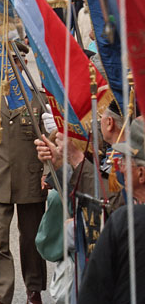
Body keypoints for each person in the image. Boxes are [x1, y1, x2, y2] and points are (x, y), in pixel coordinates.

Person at [0, 45, 47, 304]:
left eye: (14, 60)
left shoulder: (38, 98)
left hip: (31, 179)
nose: (9, 66)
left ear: (22, 62)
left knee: (31, 239)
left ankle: (34, 289)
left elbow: (48, 141)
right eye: (4, 60)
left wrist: (47, 174)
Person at [78, 118, 145, 304]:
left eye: (125, 160)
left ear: (141, 174)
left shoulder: (125, 221)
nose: (120, 168)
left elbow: (93, 294)